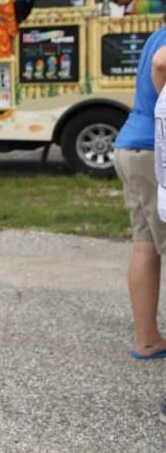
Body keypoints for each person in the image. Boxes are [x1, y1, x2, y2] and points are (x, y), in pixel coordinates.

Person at [114, 20, 166, 361]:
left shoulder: (157, 31)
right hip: (155, 149)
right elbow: (162, 63)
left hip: (130, 145)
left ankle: (147, 339)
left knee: (145, 245)